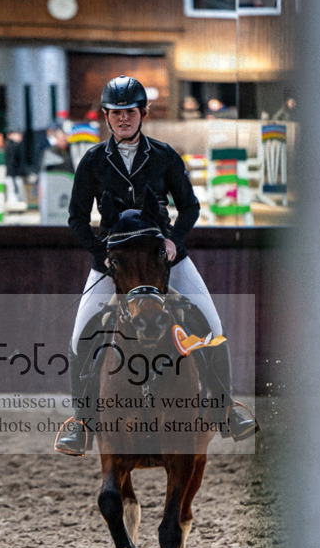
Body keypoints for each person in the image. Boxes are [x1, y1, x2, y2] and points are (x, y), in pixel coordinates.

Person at [54, 75, 258, 456]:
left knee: (213, 325)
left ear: (143, 113)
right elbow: (77, 218)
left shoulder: (164, 155)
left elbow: (190, 206)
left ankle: (226, 409)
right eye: (116, 113)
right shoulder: (92, 161)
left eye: (130, 112)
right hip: (114, 262)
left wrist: (173, 241)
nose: (123, 119)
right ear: (106, 116)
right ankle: (81, 422)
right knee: (80, 333)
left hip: (164, 258)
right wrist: (100, 254)